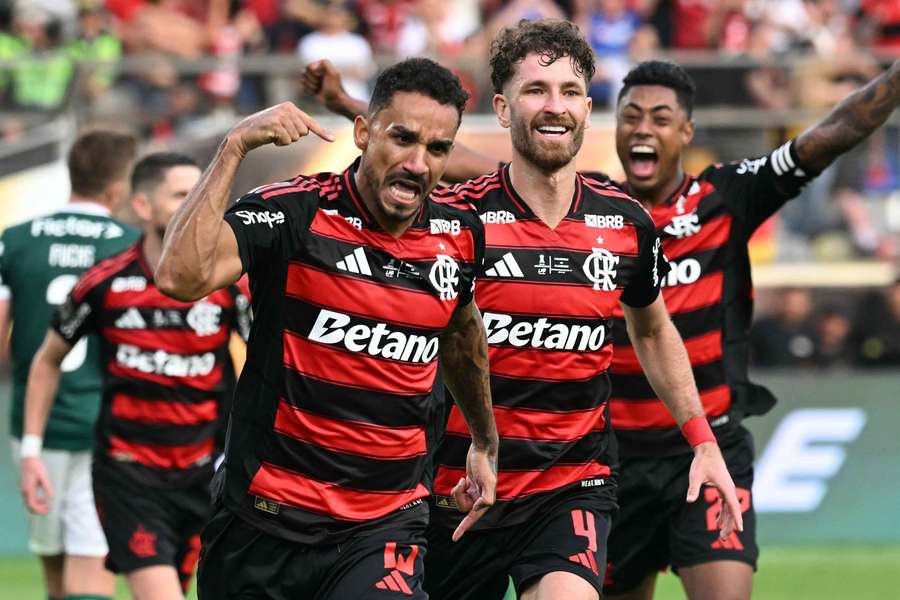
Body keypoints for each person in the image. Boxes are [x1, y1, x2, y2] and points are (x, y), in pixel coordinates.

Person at [310, 41, 900, 600]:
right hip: (470, 483)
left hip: (584, 478)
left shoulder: (661, 214)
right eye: (633, 116)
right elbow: (445, 160)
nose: (643, 130)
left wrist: (702, 437)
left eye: (570, 91)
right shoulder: (468, 217)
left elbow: (654, 327)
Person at [153, 58, 499, 600]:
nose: (417, 163)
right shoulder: (293, 213)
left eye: (437, 149)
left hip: (385, 525)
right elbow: (180, 276)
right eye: (402, 138)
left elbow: (461, 333)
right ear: (363, 133)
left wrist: (484, 440)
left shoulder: (459, 235)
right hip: (264, 521)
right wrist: (234, 146)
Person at [19, 153, 250, 600]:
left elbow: (268, 359)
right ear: (142, 205)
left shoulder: (228, 287)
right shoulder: (104, 283)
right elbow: (47, 360)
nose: (195, 203)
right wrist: (30, 450)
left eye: (201, 193)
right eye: (181, 194)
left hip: (207, 476)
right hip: (129, 476)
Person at [0, 129, 139, 600]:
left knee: (53, 565)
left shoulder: (15, 240)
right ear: (118, 188)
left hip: (35, 426)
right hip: (106, 423)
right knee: (94, 561)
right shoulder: (130, 245)